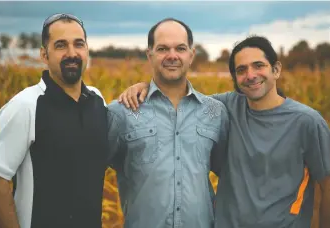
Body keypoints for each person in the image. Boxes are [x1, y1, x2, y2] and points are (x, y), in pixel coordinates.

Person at [117, 36, 330, 228]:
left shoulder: (307, 122)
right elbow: (180, 99)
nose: (251, 75)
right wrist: (145, 86)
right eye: (241, 70)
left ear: (276, 69)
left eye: (259, 66)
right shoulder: (222, 108)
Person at [0, 13, 109, 228]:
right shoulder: (25, 106)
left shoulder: (97, 100)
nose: (72, 53)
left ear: (87, 50)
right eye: (60, 45)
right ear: (44, 55)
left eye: (79, 44)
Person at [107, 18, 229, 228]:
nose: (172, 56)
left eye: (180, 48)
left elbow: (229, 176)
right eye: (163, 48)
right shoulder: (121, 112)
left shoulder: (215, 112)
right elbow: (90, 171)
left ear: (191, 55)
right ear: (150, 55)